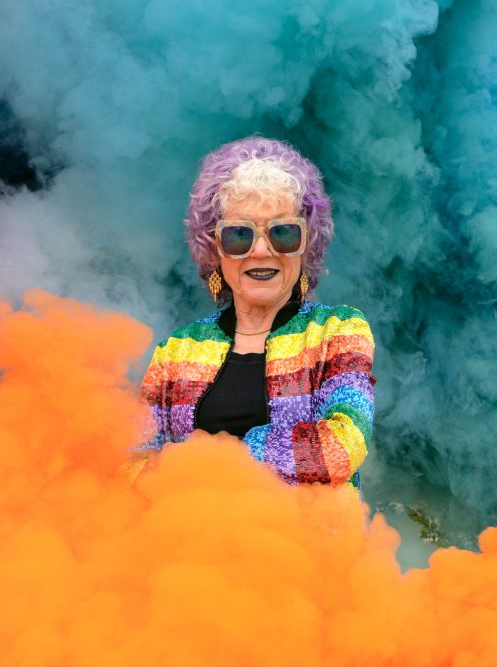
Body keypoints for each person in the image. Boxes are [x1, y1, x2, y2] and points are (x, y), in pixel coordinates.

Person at [139, 136, 377, 493]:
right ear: (214, 250)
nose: (261, 250)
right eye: (239, 235)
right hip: (180, 545)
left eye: (282, 233)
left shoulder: (338, 332)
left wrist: (204, 460)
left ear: (306, 245)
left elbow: (340, 450)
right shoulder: (176, 349)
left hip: (304, 548)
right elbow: (133, 463)